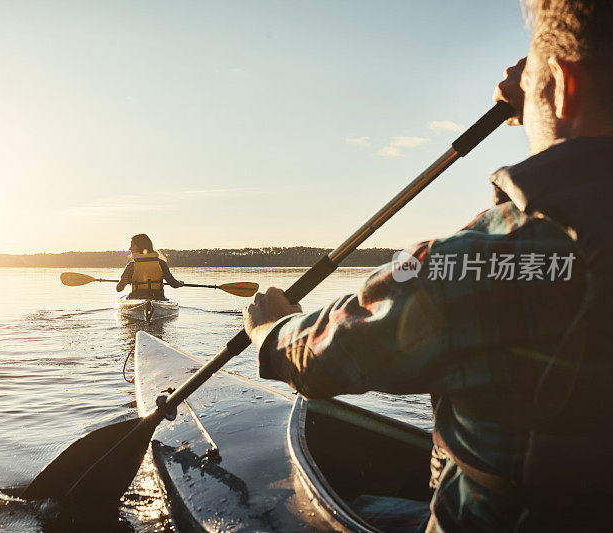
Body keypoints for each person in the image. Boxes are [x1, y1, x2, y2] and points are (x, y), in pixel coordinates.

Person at [243, 1, 613, 531]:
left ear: (561, 82)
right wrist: (546, 94)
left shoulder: (477, 261)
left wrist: (270, 328)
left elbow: (321, 357)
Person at [117, 234, 184, 300]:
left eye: (132, 246)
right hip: (158, 297)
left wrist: (125, 281)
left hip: (136, 297)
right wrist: (181, 283)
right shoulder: (161, 263)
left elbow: (119, 289)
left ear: (140, 246)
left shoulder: (131, 266)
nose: (130, 248)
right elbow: (174, 284)